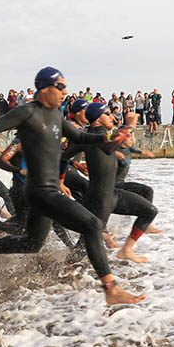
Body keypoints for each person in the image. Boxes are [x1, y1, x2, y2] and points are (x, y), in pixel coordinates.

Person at [0, 67, 145, 305]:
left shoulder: (56, 115)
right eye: (61, 87)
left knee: (32, 243)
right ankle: (111, 289)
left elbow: (80, 138)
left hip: (46, 190)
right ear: (45, 89)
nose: (66, 92)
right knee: (93, 225)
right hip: (40, 191)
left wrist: (107, 138)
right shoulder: (27, 112)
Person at [64, 103, 158, 264]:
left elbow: (63, 156)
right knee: (84, 245)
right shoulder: (93, 136)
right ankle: (62, 271)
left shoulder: (95, 137)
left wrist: (75, 165)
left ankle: (126, 250)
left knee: (149, 211)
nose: (112, 117)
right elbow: (61, 156)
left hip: (112, 194)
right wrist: (130, 125)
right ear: (99, 118)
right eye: (108, 114)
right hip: (99, 199)